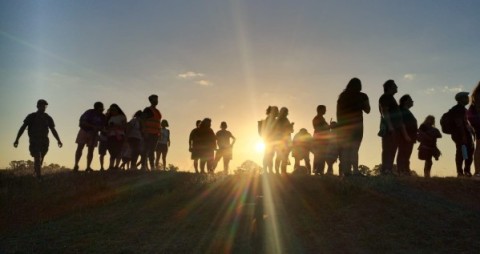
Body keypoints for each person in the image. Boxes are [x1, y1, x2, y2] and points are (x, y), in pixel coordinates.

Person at [13, 99, 63, 179]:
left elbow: (53, 130)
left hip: (44, 141)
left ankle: (36, 172)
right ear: (37, 106)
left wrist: (58, 140)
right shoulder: (31, 116)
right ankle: (38, 176)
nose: (43, 107)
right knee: (37, 156)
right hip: (34, 140)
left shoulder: (47, 117)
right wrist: (17, 139)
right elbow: (22, 127)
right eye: (42, 106)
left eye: (45, 106)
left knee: (41, 157)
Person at [336, 78, 370, 176]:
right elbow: (368, 110)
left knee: (346, 148)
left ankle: (346, 171)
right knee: (355, 148)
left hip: (344, 126)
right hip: (357, 125)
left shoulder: (342, 97)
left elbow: (338, 113)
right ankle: (355, 170)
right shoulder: (362, 96)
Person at [378, 80, 410, 175]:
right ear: (389, 87)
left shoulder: (391, 98)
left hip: (395, 129)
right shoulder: (386, 97)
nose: (397, 87)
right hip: (390, 129)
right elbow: (385, 112)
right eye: (395, 86)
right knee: (388, 149)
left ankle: (389, 169)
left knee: (392, 149)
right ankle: (386, 170)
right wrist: (390, 126)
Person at [73, 102, 105, 172]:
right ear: (96, 107)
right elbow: (82, 122)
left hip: (94, 134)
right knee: (80, 148)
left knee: (91, 150)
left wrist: (99, 129)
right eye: (100, 108)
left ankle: (88, 166)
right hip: (84, 131)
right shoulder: (89, 112)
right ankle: (76, 164)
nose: (102, 109)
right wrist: (93, 126)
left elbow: (103, 126)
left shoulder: (102, 116)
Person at [449, 92, 474, 177]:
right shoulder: (458, 109)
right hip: (460, 135)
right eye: (466, 97)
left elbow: (466, 123)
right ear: (460, 99)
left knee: (468, 152)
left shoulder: (463, 109)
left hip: (465, 134)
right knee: (462, 152)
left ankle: (466, 171)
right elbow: (459, 123)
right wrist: (463, 136)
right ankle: (461, 172)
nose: (468, 98)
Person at [397, 95, 417, 176]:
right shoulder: (402, 110)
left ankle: (405, 171)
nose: (412, 101)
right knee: (403, 153)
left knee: (406, 154)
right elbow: (401, 124)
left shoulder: (406, 111)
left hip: (410, 136)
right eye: (411, 100)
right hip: (405, 136)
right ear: (405, 101)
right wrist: (405, 135)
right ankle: (402, 171)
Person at [141, 94, 162, 170]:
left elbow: (158, 123)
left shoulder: (157, 111)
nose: (156, 101)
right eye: (154, 99)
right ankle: (144, 166)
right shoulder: (147, 110)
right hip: (148, 132)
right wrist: (144, 131)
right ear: (150, 100)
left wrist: (160, 133)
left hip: (155, 133)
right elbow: (143, 120)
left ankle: (152, 166)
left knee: (152, 150)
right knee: (146, 149)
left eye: (157, 99)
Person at [105, 104, 127, 170]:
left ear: (118, 109)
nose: (113, 111)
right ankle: (111, 166)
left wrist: (116, 126)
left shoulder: (122, 117)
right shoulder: (109, 118)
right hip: (111, 135)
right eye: (111, 110)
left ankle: (116, 166)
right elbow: (106, 127)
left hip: (120, 135)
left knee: (118, 150)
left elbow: (125, 126)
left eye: (114, 109)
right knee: (111, 151)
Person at [260, 106, 279, 174]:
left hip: (270, 140)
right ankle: (267, 170)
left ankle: (268, 170)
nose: (278, 112)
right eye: (277, 111)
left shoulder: (270, 119)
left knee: (270, 155)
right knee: (268, 155)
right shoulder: (270, 119)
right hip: (270, 140)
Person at [275, 107, 294, 174]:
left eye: (287, 112)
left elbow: (291, 131)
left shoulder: (286, 119)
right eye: (286, 112)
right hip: (280, 141)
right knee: (280, 156)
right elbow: (279, 130)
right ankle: (278, 171)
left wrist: (291, 126)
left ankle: (283, 171)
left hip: (286, 141)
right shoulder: (278, 120)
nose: (287, 114)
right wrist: (289, 127)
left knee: (285, 156)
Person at [467, 81, 480, 177]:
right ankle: (477, 171)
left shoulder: (475, 95)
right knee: (479, 147)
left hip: (477, 124)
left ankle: (477, 171)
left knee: (478, 147)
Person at [312, 105, 330, 175]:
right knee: (319, 155)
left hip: (322, 139)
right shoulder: (317, 118)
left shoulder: (321, 118)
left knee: (321, 155)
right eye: (324, 109)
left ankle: (320, 170)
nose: (325, 111)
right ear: (320, 110)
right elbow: (318, 128)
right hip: (319, 140)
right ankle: (317, 170)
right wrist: (328, 126)